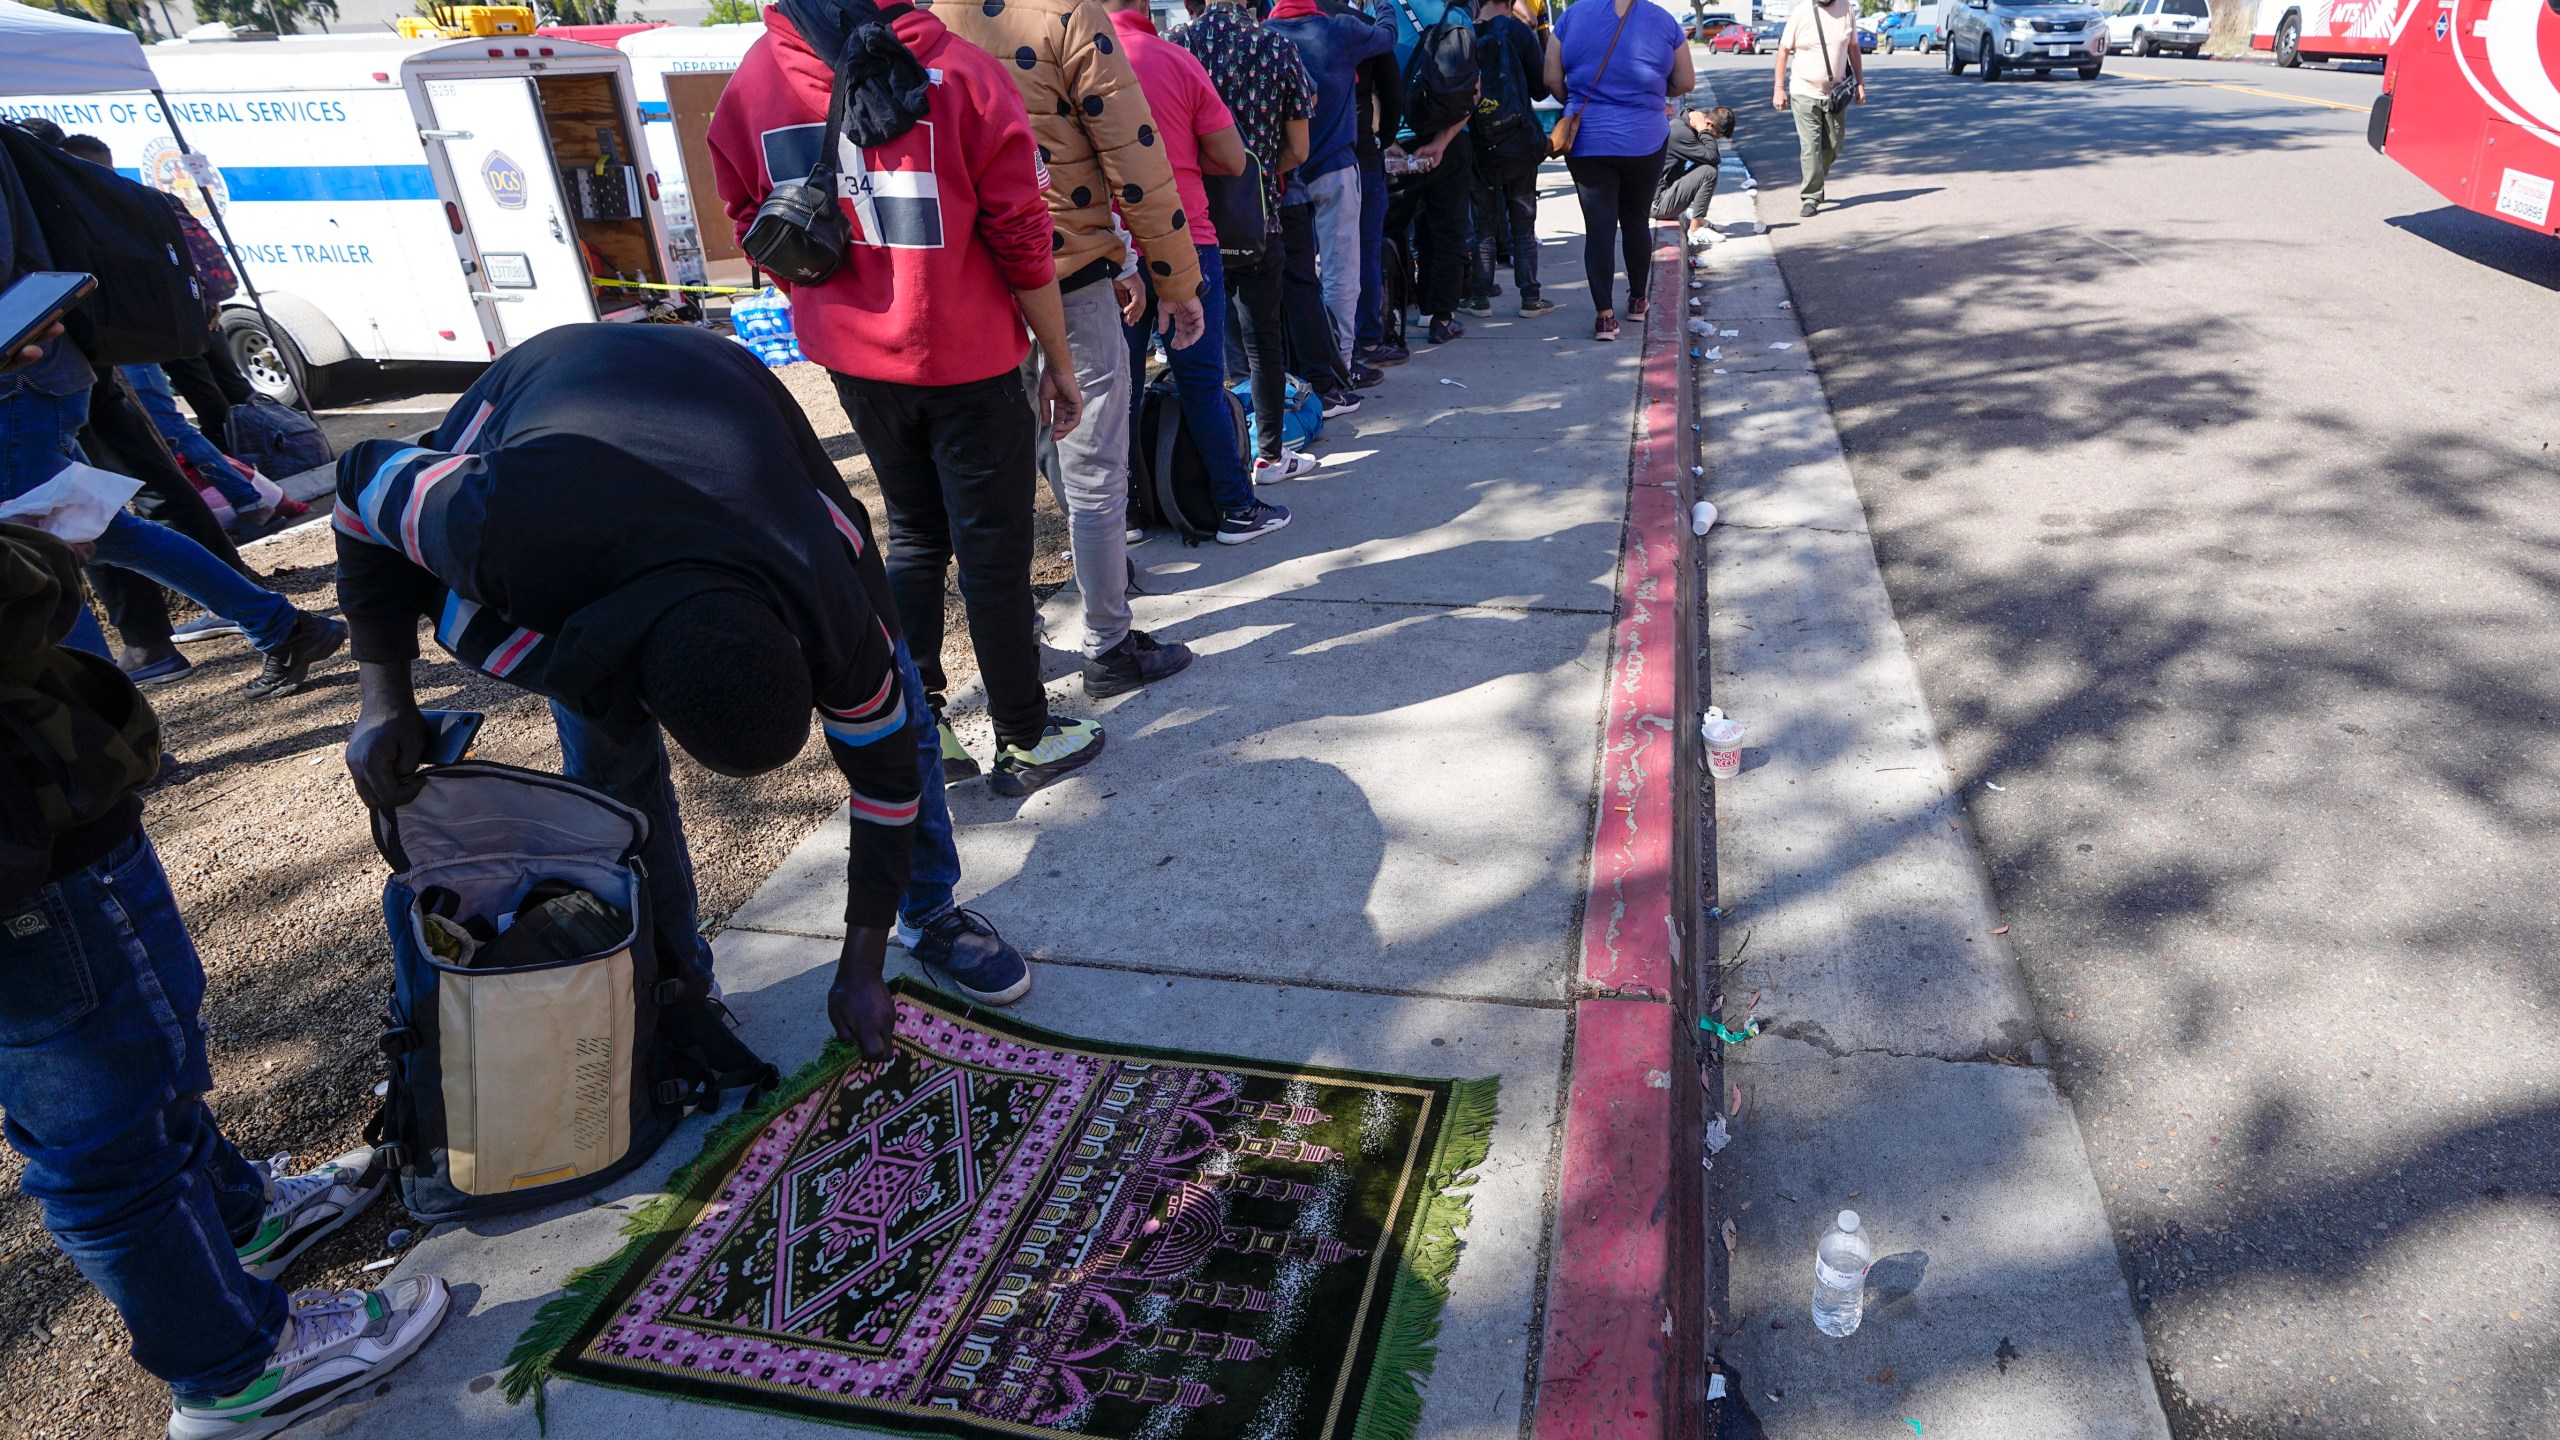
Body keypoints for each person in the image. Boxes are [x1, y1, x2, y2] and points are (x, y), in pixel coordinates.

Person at [340, 325, 1039, 1024]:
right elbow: (355, 484)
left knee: (900, 720)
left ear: (798, 643)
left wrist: (861, 969)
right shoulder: (491, 527)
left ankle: (930, 911)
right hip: (549, 396)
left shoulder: (826, 581)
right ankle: (679, 984)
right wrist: (385, 701)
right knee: (614, 777)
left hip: (721, 386)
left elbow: (886, 781)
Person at [0, 513, 449, 1440]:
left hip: (51, 834)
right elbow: (21, 593)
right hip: (32, 871)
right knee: (103, 1141)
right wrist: (36, 547)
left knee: (148, 1068)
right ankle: (232, 1365)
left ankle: (242, 1219)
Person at [708, 0, 1109, 794]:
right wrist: (1058, 360)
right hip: (971, 360)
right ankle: (1025, 735)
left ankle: (924, 733)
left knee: (916, 537)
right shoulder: (963, 74)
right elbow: (1024, 234)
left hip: (856, 362)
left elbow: (746, 216)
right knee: (994, 554)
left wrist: (825, 293)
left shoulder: (755, 79)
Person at [0, 131, 347, 694]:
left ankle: (96, 728)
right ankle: (279, 627)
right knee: (101, 535)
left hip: (21, 379)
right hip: (38, 374)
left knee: (37, 554)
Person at [939, 0, 1208, 701]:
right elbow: (1132, 150)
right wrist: (1172, 274)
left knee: (989, 481)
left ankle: (1012, 645)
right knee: (1094, 469)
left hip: (967, 280)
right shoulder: (1064, 12)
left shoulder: (919, 16)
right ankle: (1109, 644)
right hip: (1065, 271)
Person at [1104, 0, 1294, 545]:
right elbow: (1234, 160)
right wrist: (1181, 153)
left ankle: (1126, 514)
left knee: (1122, 386)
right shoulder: (1173, 59)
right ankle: (1236, 507)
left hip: (1110, 248)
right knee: (1201, 381)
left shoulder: (1071, 69)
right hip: (1184, 235)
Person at [1180, 0, 1325, 481]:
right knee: (1264, 338)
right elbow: (1299, 148)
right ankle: (1269, 454)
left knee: (1199, 338)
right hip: (1258, 219)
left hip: (1190, 219)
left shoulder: (1178, 46)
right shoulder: (1276, 46)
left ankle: (1216, 457)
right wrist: (1256, 176)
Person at [1544, 0, 1692, 340]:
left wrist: (1579, 100)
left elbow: (1551, 77)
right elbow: (1684, 81)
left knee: (1599, 228)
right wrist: (1652, 91)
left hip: (1587, 140)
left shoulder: (1570, 17)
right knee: (1636, 220)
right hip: (1646, 137)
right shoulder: (1664, 21)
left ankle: (1604, 318)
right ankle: (1638, 301)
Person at [1265, 0, 1396, 379]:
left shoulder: (1267, 38)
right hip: (1335, 169)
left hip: (1284, 173)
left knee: (1297, 276)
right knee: (1342, 271)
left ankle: (1303, 362)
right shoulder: (1341, 30)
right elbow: (1388, 36)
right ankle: (1341, 361)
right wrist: (1385, 4)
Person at [1463, 0, 1552, 318]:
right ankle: (1530, 298)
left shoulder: (1465, 34)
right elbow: (1542, 90)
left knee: (1484, 226)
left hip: (1478, 142)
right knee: (1523, 223)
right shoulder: (1519, 32)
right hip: (1518, 141)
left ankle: (1479, 299)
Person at [1771, 0, 1861, 217]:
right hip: (1804, 91)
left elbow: (1853, 48)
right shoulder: (1801, 12)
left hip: (1836, 93)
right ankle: (1811, 197)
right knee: (1810, 146)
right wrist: (1778, 88)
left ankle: (1816, 177)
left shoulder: (1846, 9)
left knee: (1834, 144)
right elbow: (1783, 50)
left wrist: (1860, 83)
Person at [1350, 39, 1407, 372]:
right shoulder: (1366, 33)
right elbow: (1392, 94)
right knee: (1365, 251)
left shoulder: (1277, 29)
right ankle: (1368, 340)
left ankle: (1326, 345)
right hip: (1359, 150)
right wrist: (1383, 139)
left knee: (1311, 260)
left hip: (1302, 156)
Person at [1654, 103, 1735, 242]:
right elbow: (1714, 158)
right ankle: (1696, 229)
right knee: (1709, 171)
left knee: (1704, 165)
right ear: (1708, 124)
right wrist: (1703, 131)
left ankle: (1696, 218)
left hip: (1659, 195)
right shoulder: (1681, 133)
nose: (1713, 140)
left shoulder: (1685, 122)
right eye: (1715, 137)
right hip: (1656, 204)